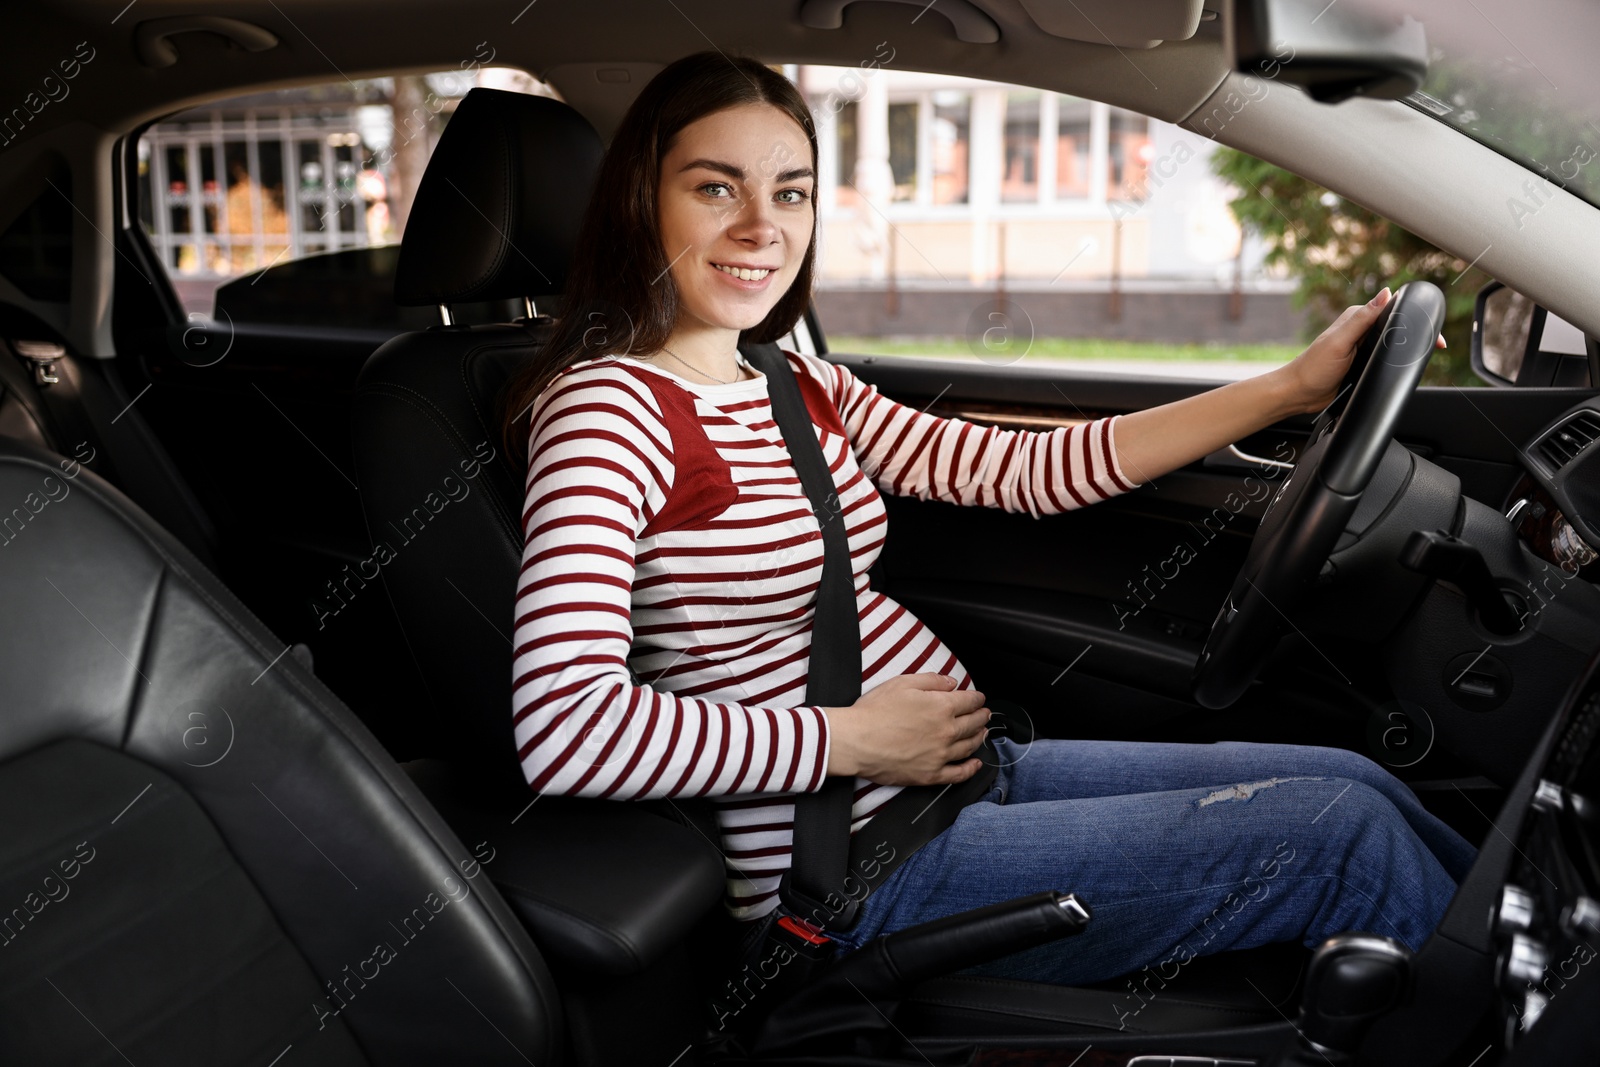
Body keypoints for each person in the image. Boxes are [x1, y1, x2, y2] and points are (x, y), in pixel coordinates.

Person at [501, 52, 1476, 987]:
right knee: (1345, 840)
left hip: (960, 778)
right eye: (716, 188)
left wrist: (1286, 389)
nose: (763, 225)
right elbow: (566, 727)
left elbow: (1028, 471)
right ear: (642, 200)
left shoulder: (792, 381)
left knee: (1363, 784)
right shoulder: (609, 409)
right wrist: (851, 739)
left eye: (790, 191)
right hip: (847, 869)